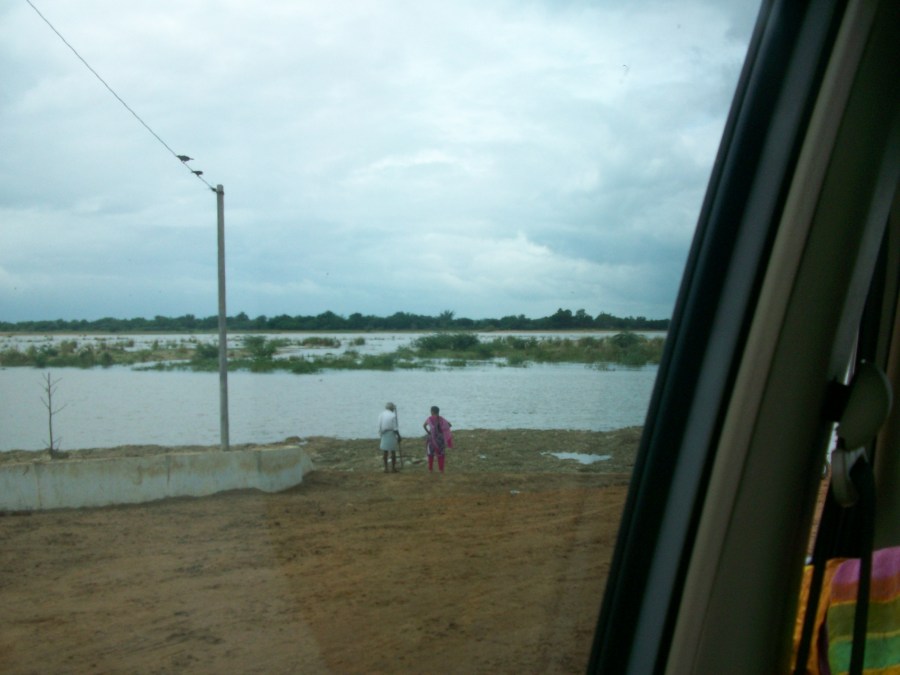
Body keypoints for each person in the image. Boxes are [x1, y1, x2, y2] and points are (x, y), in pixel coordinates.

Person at [423, 405, 453, 473]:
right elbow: (449, 425)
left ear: (432, 412)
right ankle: (441, 470)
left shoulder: (430, 419)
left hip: (431, 439)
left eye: (431, 411)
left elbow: (424, 426)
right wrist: (443, 430)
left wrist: (429, 432)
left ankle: (430, 469)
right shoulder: (441, 419)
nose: (430, 412)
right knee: (441, 454)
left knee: (430, 454)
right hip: (440, 439)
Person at [377, 402, 401, 473]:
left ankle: (386, 468)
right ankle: (393, 468)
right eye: (393, 408)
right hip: (391, 433)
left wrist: (380, 433)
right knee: (393, 451)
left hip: (384, 433)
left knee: (385, 451)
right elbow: (395, 428)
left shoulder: (381, 414)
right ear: (391, 408)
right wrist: (399, 436)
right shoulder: (393, 415)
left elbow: (379, 425)